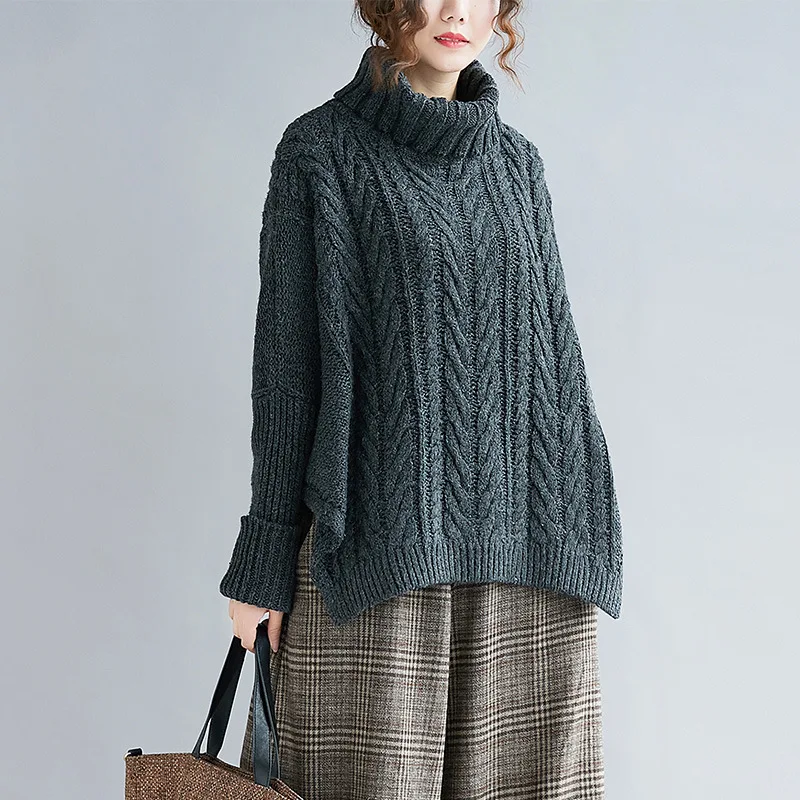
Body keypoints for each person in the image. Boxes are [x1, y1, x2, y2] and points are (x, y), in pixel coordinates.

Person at [220, 1, 623, 797]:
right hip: (378, 559)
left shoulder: (518, 166)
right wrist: (264, 560)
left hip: (530, 557)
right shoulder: (320, 153)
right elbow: (288, 373)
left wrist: (577, 529)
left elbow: (550, 359)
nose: (456, 11)